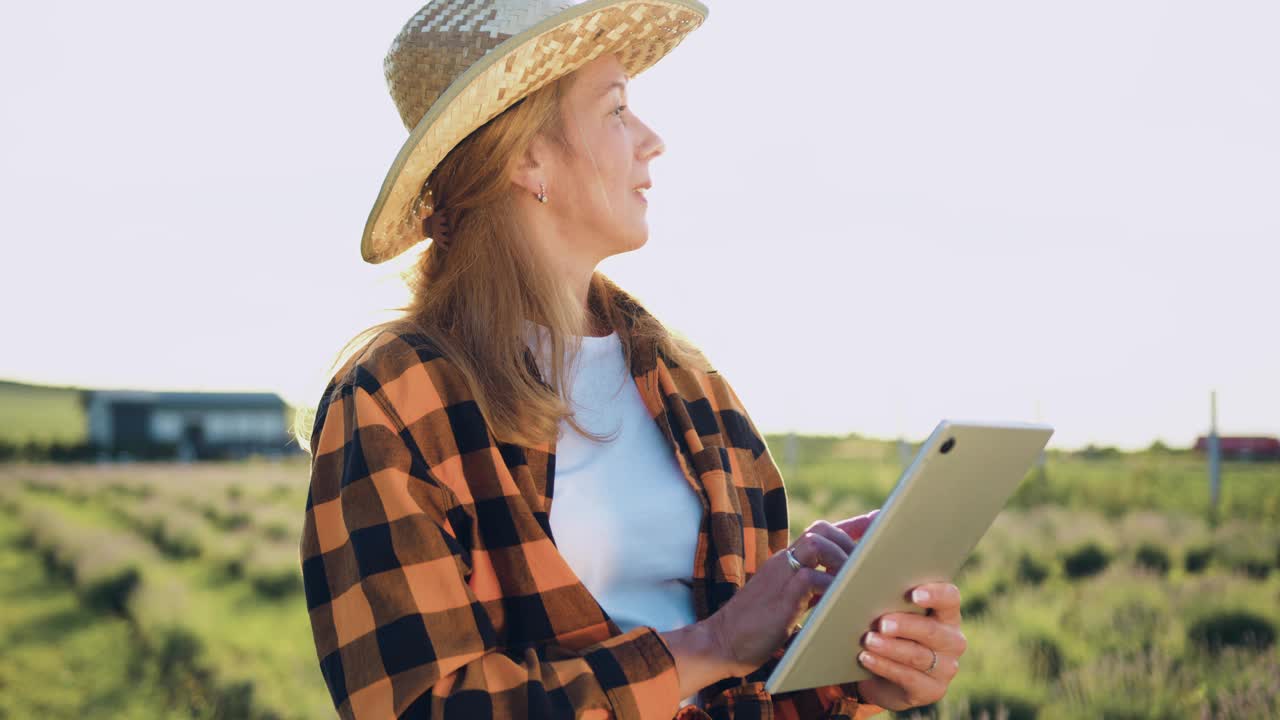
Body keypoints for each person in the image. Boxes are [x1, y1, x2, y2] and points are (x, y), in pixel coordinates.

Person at [296, 2, 967, 718]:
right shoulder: (394, 398)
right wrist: (711, 644)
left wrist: (861, 681)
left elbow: (756, 687)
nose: (652, 141)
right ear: (528, 157)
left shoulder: (693, 389)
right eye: (617, 110)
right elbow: (416, 707)